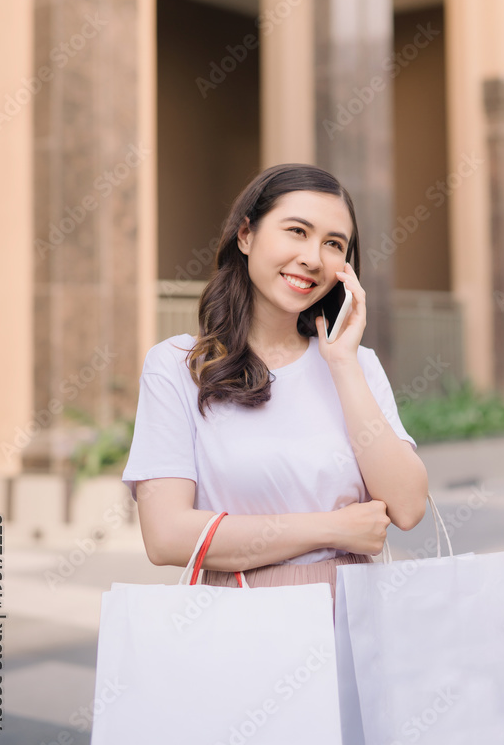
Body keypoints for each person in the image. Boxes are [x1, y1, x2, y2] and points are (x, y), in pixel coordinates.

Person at [122, 163, 429, 617]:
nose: (312, 258)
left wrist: (342, 363)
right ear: (245, 235)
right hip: (240, 622)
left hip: (354, 623)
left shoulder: (356, 364)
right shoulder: (177, 365)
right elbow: (166, 535)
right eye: (297, 231)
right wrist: (331, 529)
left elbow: (407, 506)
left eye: (333, 244)